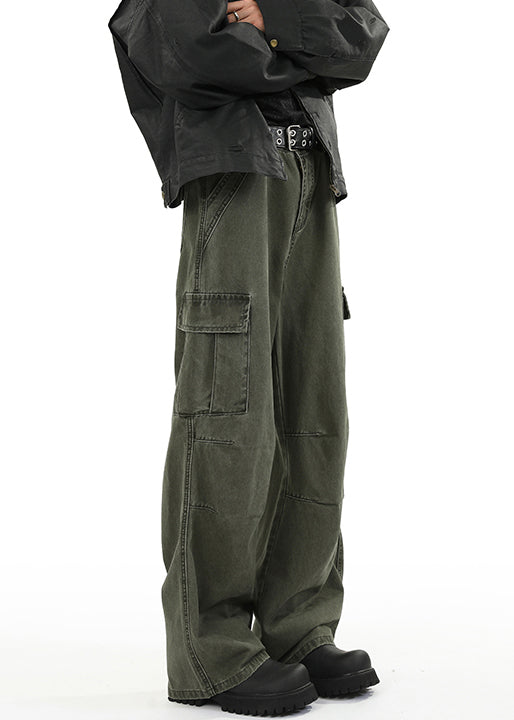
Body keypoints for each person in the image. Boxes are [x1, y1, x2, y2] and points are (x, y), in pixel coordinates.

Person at [108, 0, 390, 715]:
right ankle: (212, 651)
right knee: (226, 416)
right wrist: (306, 50)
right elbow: (192, 56)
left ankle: (298, 626)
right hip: (234, 183)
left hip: (311, 178)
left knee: (314, 413)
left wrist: (270, 17)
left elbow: (362, 39)